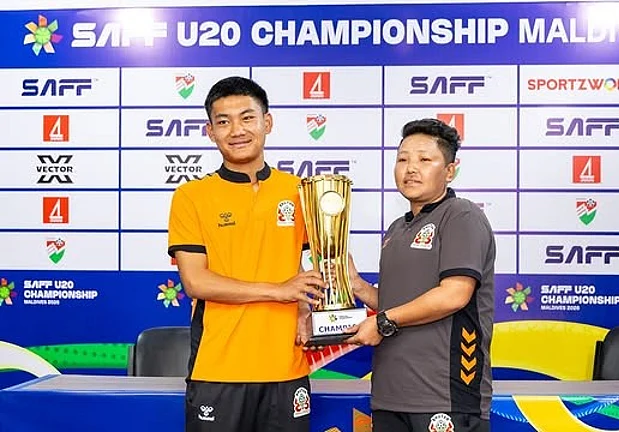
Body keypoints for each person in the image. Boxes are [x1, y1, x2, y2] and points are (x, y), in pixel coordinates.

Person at [167, 76, 326, 432]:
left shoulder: (301, 191)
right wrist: (279, 290)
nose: (236, 130)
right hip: (219, 368)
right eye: (223, 121)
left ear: (267, 122)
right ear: (210, 131)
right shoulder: (191, 196)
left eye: (247, 117)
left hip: (287, 368)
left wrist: (304, 305)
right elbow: (196, 281)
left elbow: (323, 264)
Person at [345, 118, 496, 432]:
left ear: (450, 170)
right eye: (403, 159)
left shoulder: (461, 215)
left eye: (424, 159)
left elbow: (455, 293)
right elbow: (394, 303)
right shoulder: (397, 229)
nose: (410, 168)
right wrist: (357, 285)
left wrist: (383, 322)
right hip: (390, 396)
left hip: (445, 397)